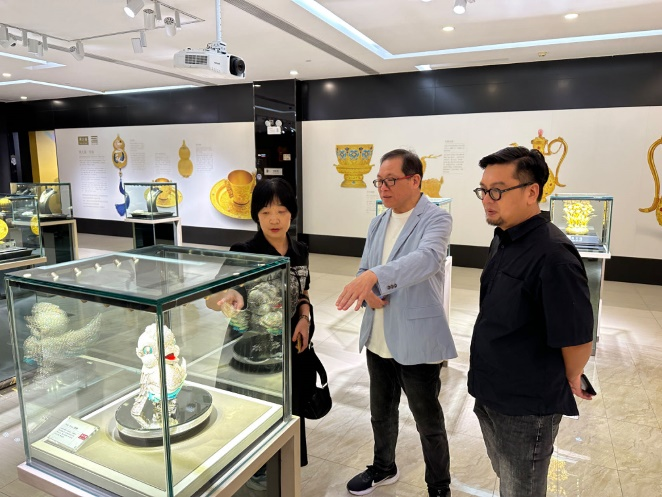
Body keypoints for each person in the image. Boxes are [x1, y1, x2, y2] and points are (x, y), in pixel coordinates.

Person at [469, 146, 594, 497]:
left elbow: (578, 338)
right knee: (506, 475)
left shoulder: (554, 256)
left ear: (531, 192)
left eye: (497, 191)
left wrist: (572, 375)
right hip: (490, 389)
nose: (487, 199)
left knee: (521, 488)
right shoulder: (504, 237)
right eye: (483, 190)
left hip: (525, 406)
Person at [336, 149, 456, 497]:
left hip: (416, 338)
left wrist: (375, 277)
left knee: (428, 421)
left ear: (415, 180)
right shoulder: (378, 222)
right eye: (379, 181)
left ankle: (439, 486)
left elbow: (427, 259)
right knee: (381, 412)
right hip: (378, 335)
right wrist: (368, 290)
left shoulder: (436, 219)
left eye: (390, 180)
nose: (383, 188)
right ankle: (383, 467)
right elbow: (364, 268)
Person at [206, 178, 312, 483]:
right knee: (252, 413)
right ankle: (253, 471)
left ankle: (282, 468)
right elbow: (211, 298)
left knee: (287, 410)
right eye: (265, 212)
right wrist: (228, 296)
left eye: (281, 211)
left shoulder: (300, 250)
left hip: (288, 346)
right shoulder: (244, 251)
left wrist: (304, 317)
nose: (274, 219)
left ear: (292, 213)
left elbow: (304, 292)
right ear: (256, 215)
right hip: (249, 349)